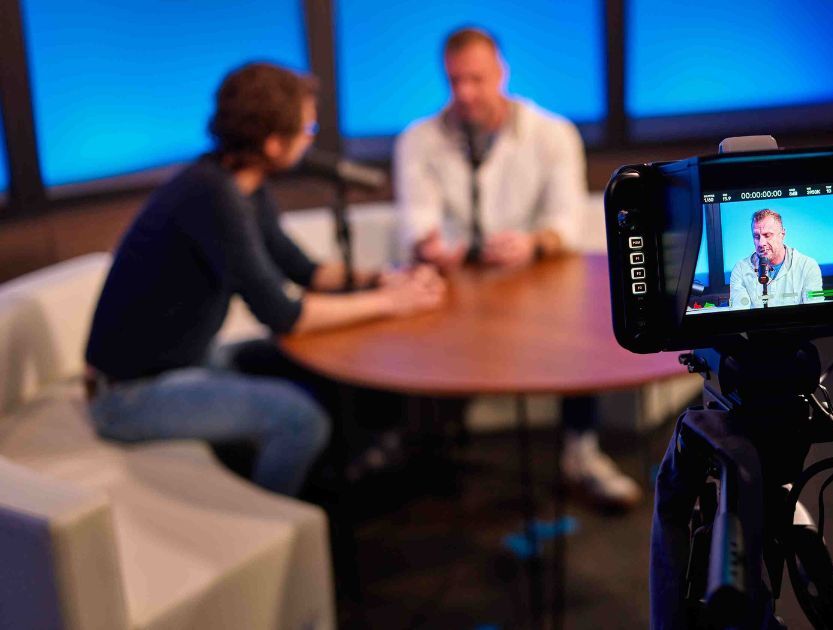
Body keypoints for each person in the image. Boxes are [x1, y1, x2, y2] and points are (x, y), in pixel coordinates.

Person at [85, 62, 446, 497]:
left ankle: (348, 476)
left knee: (302, 367)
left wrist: (383, 279)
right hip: (130, 397)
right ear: (275, 144)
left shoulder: (241, 186)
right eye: (307, 129)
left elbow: (305, 271)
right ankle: (277, 520)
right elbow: (282, 314)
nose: (312, 137)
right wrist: (393, 304)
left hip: (187, 361)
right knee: (300, 419)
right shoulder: (211, 197)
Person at [393, 27, 641, 510]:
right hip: (459, 284)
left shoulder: (552, 133)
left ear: (502, 73)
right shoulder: (419, 140)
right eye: (455, 81)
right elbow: (416, 220)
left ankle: (580, 450)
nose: (465, 93)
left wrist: (533, 243)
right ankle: (425, 460)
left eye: (476, 80)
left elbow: (568, 222)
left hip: (540, 279)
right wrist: (430, 243)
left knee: (580, 328)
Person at [728, 209, 824, 310]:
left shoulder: (808, 266)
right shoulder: (741, 270)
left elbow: (815, 313)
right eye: (756, 236)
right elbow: (739, 315)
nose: (761, 243)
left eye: (767, 235)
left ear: (782, 235)